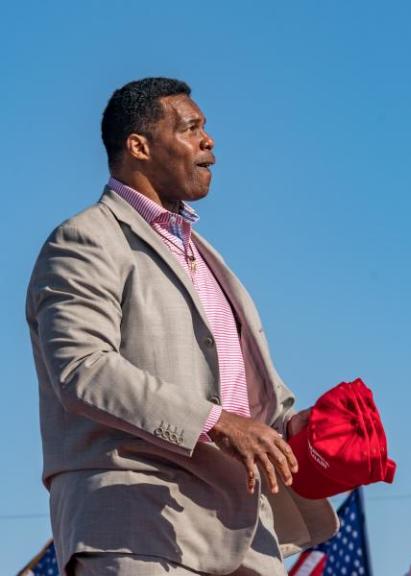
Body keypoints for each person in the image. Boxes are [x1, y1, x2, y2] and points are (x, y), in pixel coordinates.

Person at [25, 77, 338, 575]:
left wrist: (304, 433)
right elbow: (83, 370)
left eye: (205, 129)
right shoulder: (84, 240)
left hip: (246, 532)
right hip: (138, 525)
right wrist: (219, 423)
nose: (208, 141)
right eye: (191, 128)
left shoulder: (207, 257)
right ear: (140, 147)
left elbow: (244, 401)